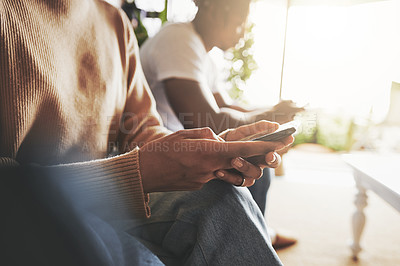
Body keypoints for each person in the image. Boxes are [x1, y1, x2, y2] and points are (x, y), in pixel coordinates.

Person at [0, 0, 293, 265]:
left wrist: (199, 147)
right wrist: (140, 171)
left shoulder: (114, 22)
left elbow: (142, 130)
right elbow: (210, 115)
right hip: (31, 208)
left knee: (222, 195)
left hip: (113, 185)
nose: (242, 32)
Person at [139, 0, 303, 249]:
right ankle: (254, 238)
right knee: (248, 166)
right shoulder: (178, 40)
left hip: (173, 141)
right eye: (239, 22)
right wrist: (270, 116)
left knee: (259, 161)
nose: (242, 32)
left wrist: (273, 111)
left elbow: (227, 106)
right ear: (214, 9)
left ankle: (256, 233)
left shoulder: (203, 56)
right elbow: (207, 119)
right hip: (158, 151)